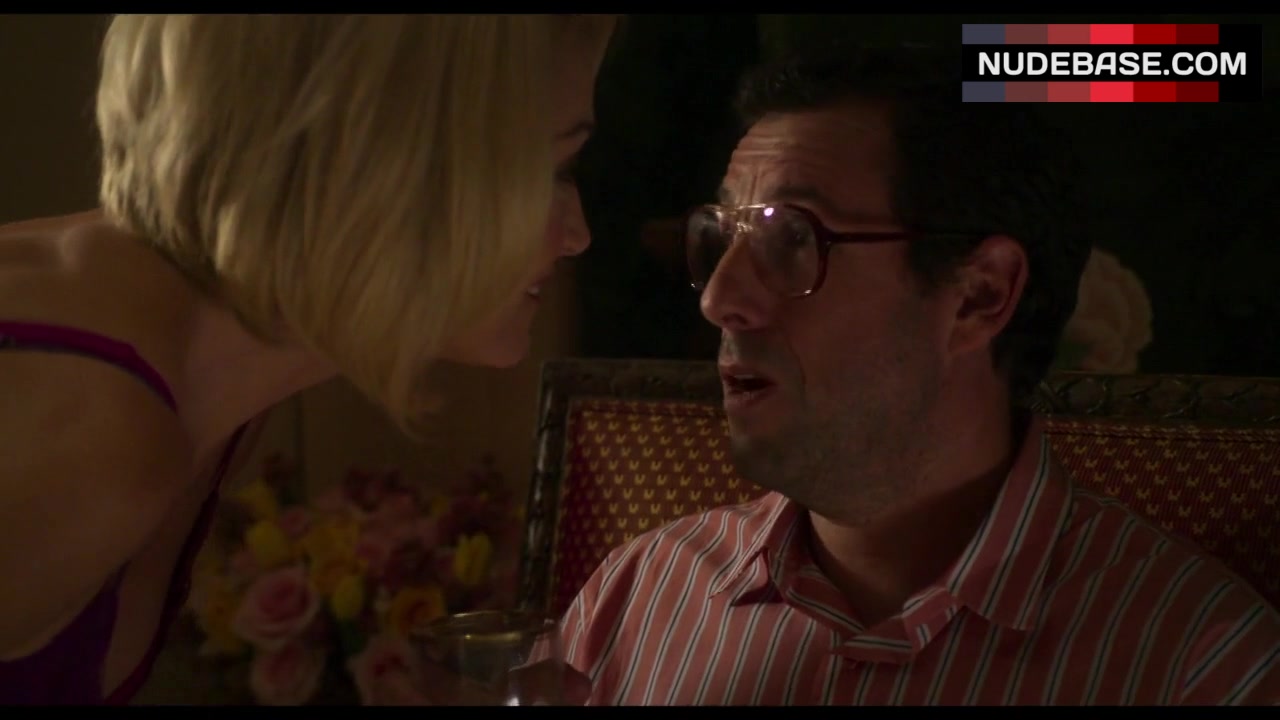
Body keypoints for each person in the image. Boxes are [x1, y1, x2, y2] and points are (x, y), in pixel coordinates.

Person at [558, 43, 1280, 705]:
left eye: (792, 238)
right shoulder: (634, 600)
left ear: (978, 295)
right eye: (721, 237)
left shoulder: (1202, 665)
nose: (720, 298)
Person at [0, 13, 617, 704]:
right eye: (555, 169)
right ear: (386, 161)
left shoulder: (218, 365)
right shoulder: (85, 426)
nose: (579, 235)